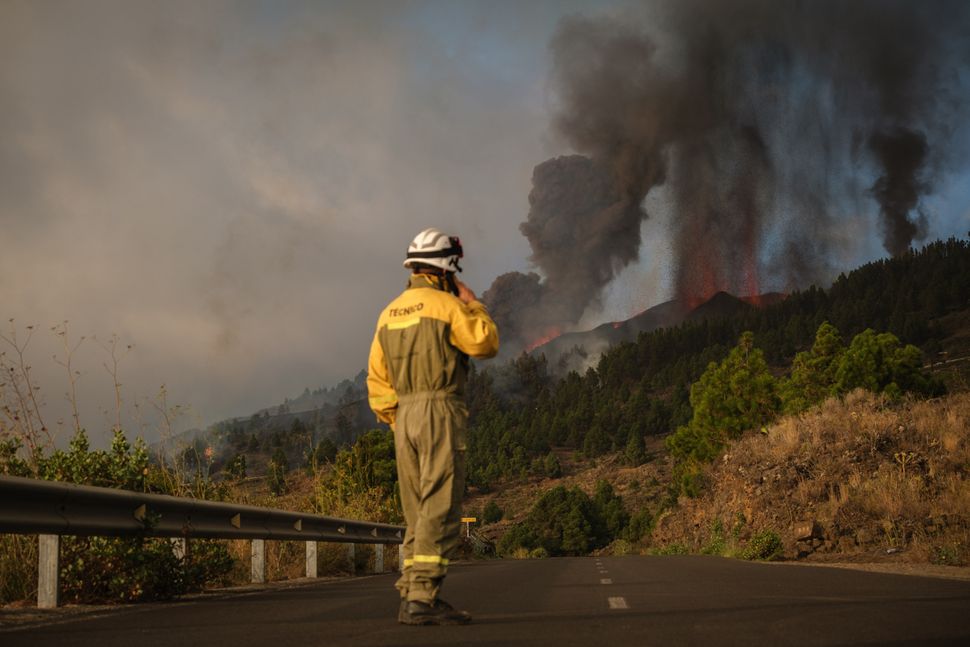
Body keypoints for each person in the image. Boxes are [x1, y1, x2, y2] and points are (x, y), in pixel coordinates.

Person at [367, 227, 499, 626]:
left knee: (416, 510)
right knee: (440, 507)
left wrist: (399, 419)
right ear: (446, 267)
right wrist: (475, 306)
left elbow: (376, 381)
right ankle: (422, 596)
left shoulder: (389, 313)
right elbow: (484, 343)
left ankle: (413, 592)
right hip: (439, 411)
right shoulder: (447, 306)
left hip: (403, 417)